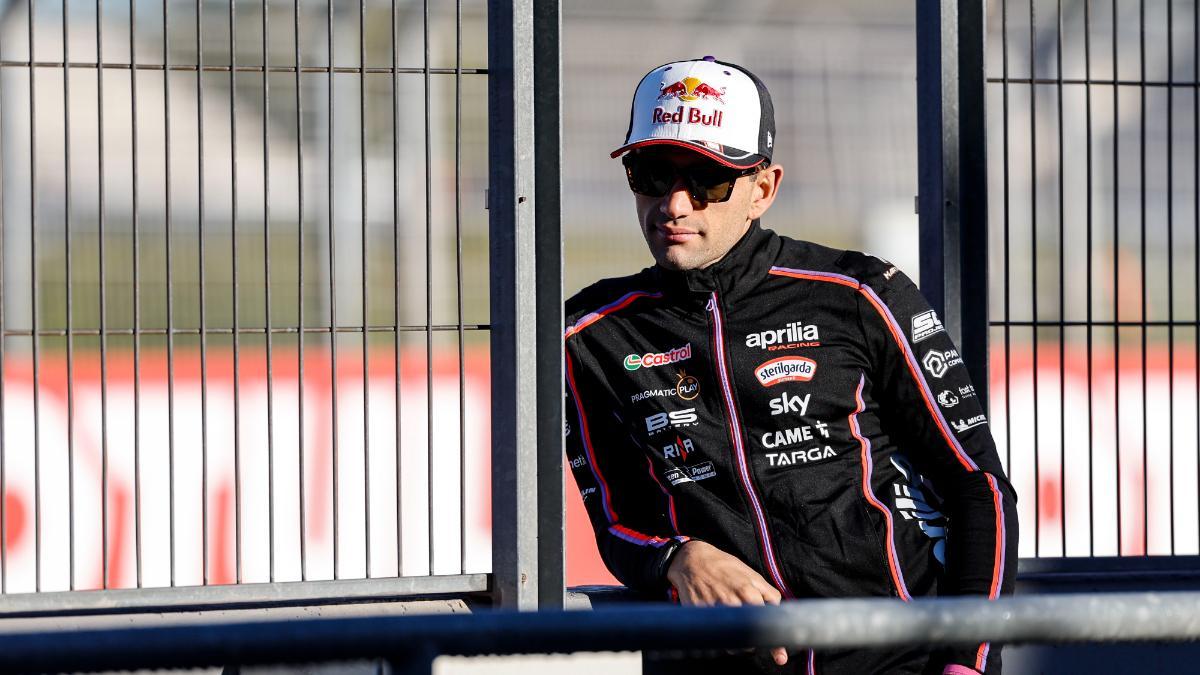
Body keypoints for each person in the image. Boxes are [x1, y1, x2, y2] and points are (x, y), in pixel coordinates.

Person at [562, 56, 1018, 674]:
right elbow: (616, 521)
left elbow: (979, 490)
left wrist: (968, 663)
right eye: (651, 173)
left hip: (896, 662)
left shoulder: (860, 294)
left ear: (763, 189)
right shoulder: (589, 333)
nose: (673, 203)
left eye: (706, 180)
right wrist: (678, 558)